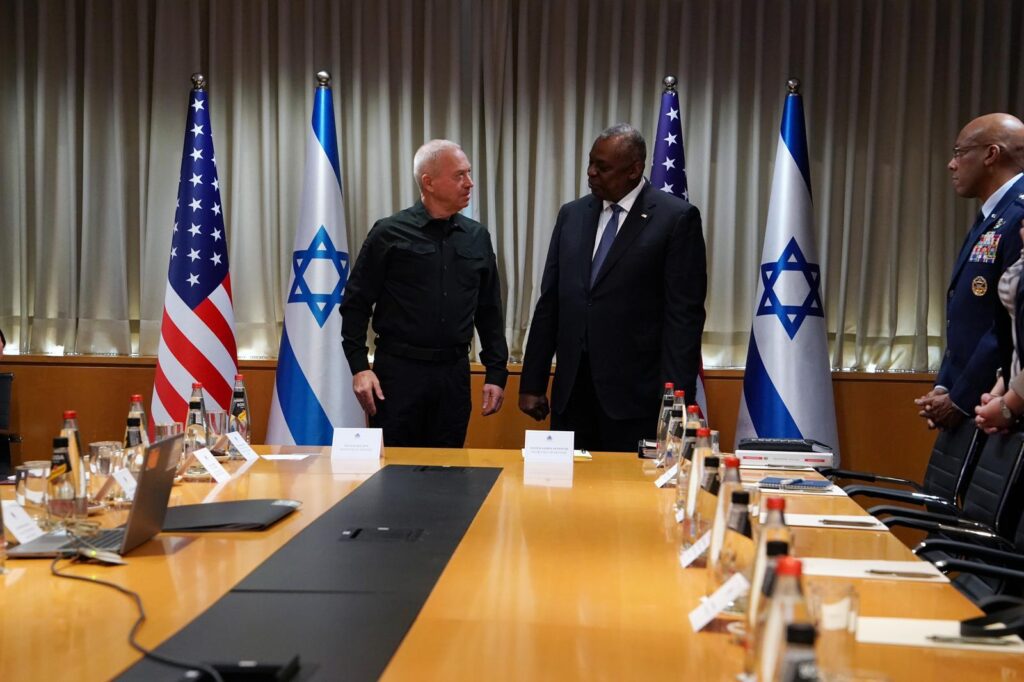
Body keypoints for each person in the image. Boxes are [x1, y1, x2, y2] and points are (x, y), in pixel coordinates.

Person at [518, 124, 707, 452]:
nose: (591, 173)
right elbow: (551, 302)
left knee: (627, 485)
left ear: (634, 170)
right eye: (590, 163)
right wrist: (533, 381)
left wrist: (675, 402)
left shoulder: (675, 219)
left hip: (636, 399)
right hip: (572, 394)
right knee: (565, 483)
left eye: (602, 167)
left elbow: (683, 317)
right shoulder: (572, 215)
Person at [340, 139, 508, 447]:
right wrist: (360, 367)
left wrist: (496, 373)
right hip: (398, 374)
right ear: (428, 182)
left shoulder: (477, 237)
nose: (469, 183)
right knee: (395, 468)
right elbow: (355, 303)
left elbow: (489, 311)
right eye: (459, 175)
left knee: (448, 469)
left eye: (469, 173)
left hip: (453, 375)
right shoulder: (388, 233)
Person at [917, 113, 1024, 429]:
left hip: (996, 405)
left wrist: (960, 398)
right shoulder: (994, 214)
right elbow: (967, 314)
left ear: (991, 154)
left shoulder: (1018, 215)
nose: (951, 164)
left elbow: (1004, 324)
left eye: (959, 152)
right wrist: (945, 385)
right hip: (977, 399)